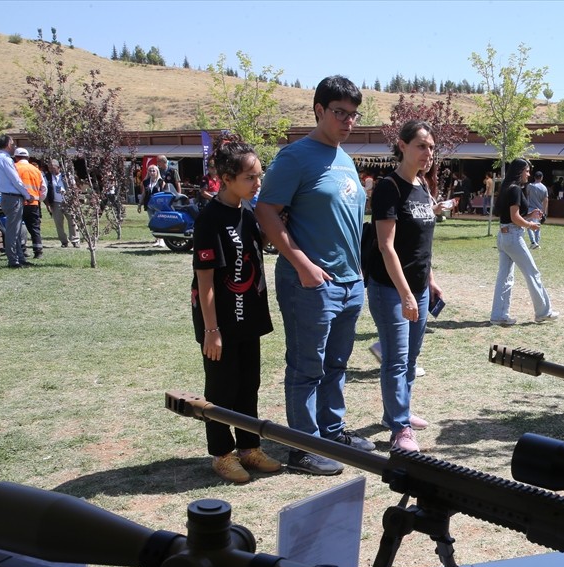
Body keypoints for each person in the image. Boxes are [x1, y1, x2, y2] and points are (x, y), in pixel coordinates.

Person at [256, 75, 375, 476]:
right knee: (307, 366)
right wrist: (303, 264)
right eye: (340, 113)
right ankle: (302, 447)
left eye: (353, 115)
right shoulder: (295, 156)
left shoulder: (344, 158)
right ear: (319, 110)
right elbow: (266, 211)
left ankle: (332, 429)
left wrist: (357, 273)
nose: (347, 121)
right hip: (310, 283)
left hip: (348, 282)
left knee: (337, 363)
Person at [190, 136, 282, 484]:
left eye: (260, 176)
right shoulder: (210, 219)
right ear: (226, 178)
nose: (258, 183)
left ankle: (249, 448)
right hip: (220, 324)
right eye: (250, 177)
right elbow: (206, 281)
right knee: (221, 390)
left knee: (249, 385)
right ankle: (221, 455)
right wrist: (211, 331)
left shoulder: (247, 212)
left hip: (249, 317)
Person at [367, 121, 455, 453]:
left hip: (418, 286)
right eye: (421, 145)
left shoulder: (422, 186)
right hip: (390, 288)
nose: (428, 153)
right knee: (396, 359)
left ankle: (397, 411)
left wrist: (429, 281)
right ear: (402, 146)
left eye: (431, 147)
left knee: (411, 358)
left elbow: (421, 242)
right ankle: (400, 429)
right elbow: (386, 246)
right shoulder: (389, 188)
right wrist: (405, 293)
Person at [489, 158, 556, 326]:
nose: (529, 174)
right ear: (519, 171)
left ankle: (499, 314)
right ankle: (543, 312)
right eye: (526, 171)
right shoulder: (516, 190)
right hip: (512, 237)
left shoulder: (506, 188)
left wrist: (529, 216)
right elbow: (514, 217)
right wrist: (530, 224)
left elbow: (510, 217)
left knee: (504, 276)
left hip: (504, 236)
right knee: (532, 273)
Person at [0, 134, 34, 268]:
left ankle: (19, 258)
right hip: (12, 197)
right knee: (13, 230)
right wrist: (27, 195)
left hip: (8, 197)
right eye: (12, 143)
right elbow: (16, 180)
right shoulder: (5, 160)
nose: (14, 146)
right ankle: (13, 260)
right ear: (8, 144)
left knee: (14, 230)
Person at [14, 148, 46, 258]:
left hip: (19, 203)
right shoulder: (36, 170)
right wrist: (38, 199)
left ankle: (22, 250)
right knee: (34, 228)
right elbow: (44, 188)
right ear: (28, 157)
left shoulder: (14, 168)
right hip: (33, 204)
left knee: (19, 227)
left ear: (16, 157)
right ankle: (38, 251)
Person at [45, 159, 79, 247]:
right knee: (58, 223)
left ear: (59, 167)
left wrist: (74, 200)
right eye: (49, 168)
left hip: (68, 202)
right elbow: (45, 191)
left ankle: (75, 240)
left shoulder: (67, 176)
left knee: (72, 221)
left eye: (53, 168)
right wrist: (48, 204)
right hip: (55, 203)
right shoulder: (47, 177)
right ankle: (64, 241)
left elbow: (74, 188)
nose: (51, 170)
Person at [140, 164, 168, 248]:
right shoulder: (146, 182)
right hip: (149, 205)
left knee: (160, 221)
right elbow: (144, 193)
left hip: (158, 205)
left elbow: (164, 193)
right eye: (150, 171)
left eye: (153, 171)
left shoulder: (161, 181)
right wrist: (139, 204)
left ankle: (162, 240)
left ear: (157, 172)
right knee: (153, 222)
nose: (151, 172)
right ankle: (157, 239)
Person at [525, 170, 548, 249]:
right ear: (541, 178)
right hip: (539, 209)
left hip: (531, 208)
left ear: (534, 177)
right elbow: (546, 200)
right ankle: (537, 242)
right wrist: (544, 212)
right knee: (538, 226)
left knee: (529, 226)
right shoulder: (544, 188)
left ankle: (533, 242)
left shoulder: (530, 186)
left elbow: (527, 196)